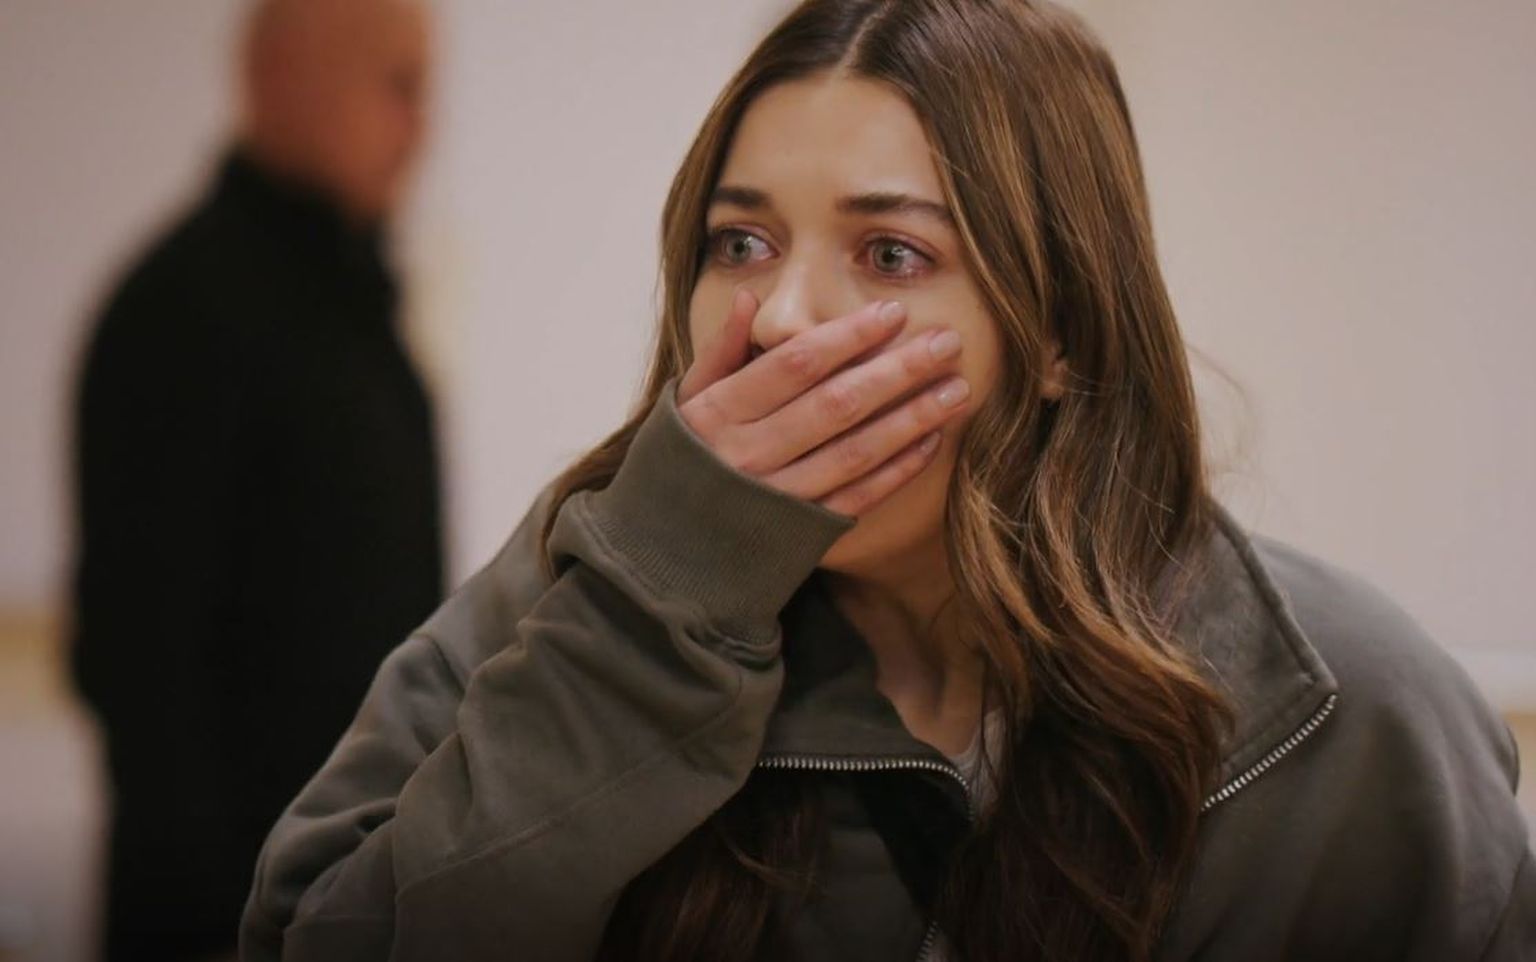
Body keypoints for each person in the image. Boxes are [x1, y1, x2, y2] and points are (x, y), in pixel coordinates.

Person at [239, 1, 1534, 959]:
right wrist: (651, 622)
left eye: (891, 255)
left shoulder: (1351, 720)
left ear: (1060, 332)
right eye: (741, 241)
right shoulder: (574, 587)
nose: (781, 316)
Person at [69, 1, 440, 959]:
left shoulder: (350, 306)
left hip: (348, 899)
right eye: (397, 87)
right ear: (278, 77)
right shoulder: (183, 311)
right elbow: (145, 675)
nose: (422, 126)